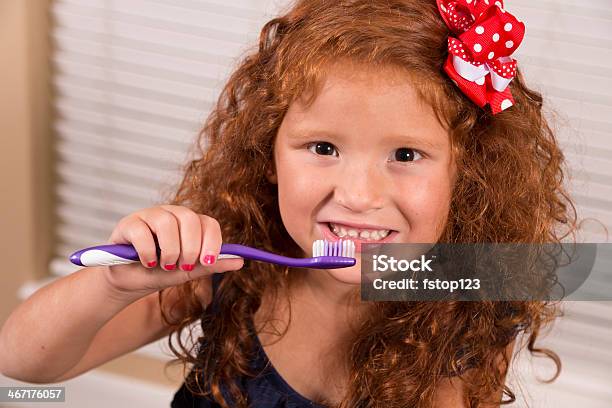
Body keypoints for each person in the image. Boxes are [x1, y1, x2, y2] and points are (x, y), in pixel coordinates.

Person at [0, 0, 577, 406]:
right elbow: (23, 364)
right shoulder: (227, 257)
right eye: (322, 147)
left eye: (405, 154)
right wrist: (115, 285)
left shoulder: (471, 300)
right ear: (267, 155)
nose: (357, 196)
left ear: (467, 174)